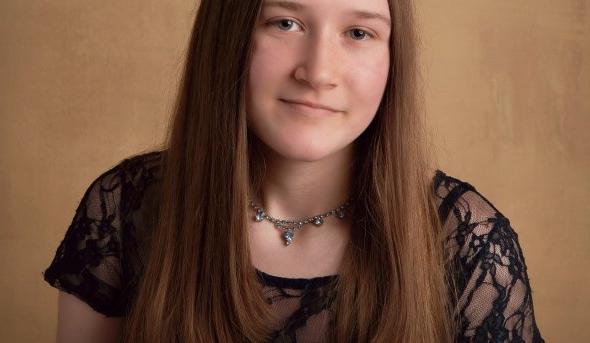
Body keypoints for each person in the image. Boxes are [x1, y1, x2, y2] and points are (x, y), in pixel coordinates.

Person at [42, 0, 545, 342]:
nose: (319, 72)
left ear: (393, 58)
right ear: (229, 35)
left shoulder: (468, 240)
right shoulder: (127, 205)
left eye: (358, 31)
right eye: (285, 22)